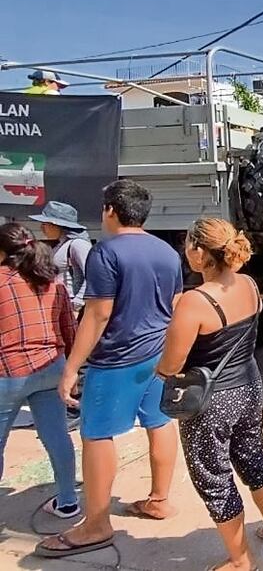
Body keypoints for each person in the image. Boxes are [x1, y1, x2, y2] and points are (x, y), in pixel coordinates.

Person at [37, 180, 183, 559]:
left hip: (117, 358)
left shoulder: (108, 253)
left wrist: (72, 367)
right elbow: (176, 304)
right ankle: (159, 499)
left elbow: (99, 313)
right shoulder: (167, 251)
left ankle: (96, 523)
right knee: (159, 422)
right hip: (158, 355)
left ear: (110, 211)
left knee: (97, 434)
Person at [156, 218, 263, 571]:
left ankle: (240, 562)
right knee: (255, 459)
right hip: (249, 386)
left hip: (211, 401)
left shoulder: (193, 302)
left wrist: (159, 370)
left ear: (198, 252)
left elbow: (172, 363)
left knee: (214, 477)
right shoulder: (250, 284)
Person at [0, 223, 80, 520]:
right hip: (51, 367)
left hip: (8, 372)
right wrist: (72, 370)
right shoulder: (53, 282)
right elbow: (68, 329)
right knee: (57, 435)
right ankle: (69, 501)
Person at [30, 201, 92, 427]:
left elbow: (92, 276)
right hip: (66, 311)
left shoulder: (77, 246)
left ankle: (76, 410)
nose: (43, 227)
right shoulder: (65, 245)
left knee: (78, 358)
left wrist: (76, 304)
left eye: (47, 222)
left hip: (76, 312)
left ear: (59, 224)